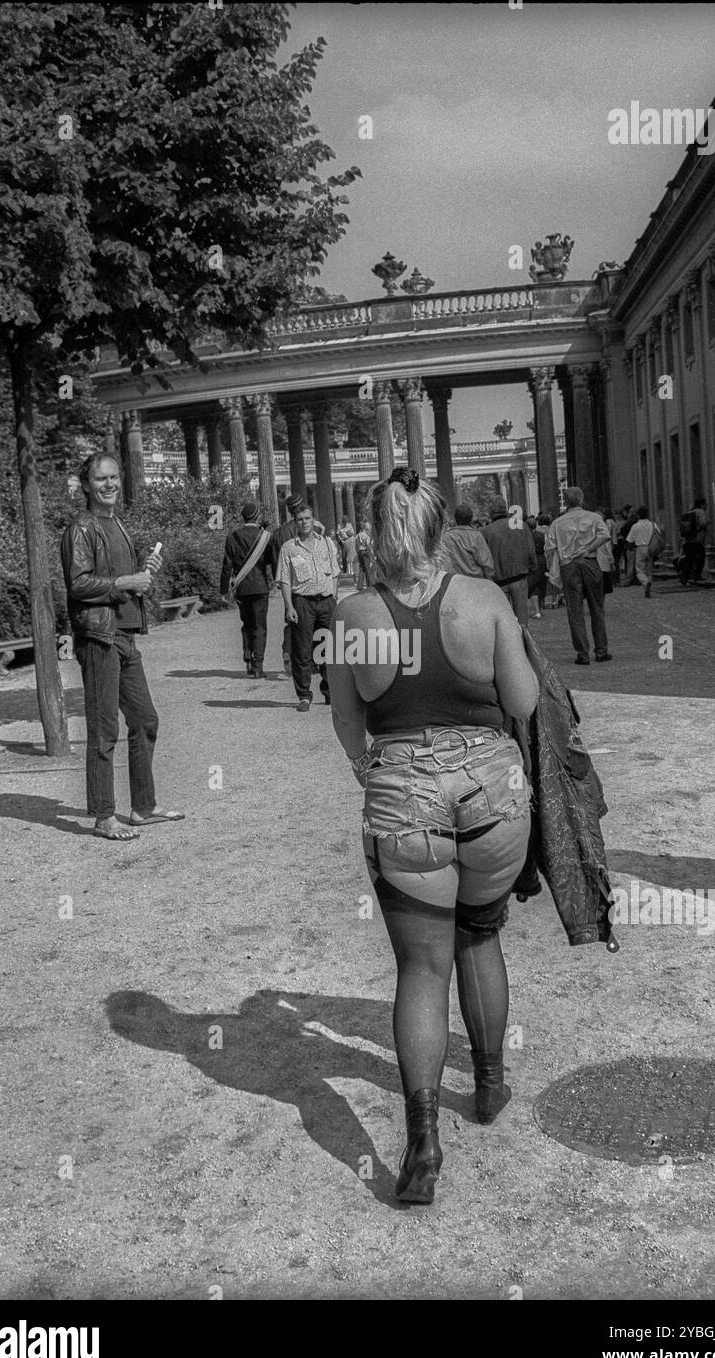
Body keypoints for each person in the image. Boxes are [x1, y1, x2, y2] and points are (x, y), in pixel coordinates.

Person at [326, 466, 539, 1204]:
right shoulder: (480, 600)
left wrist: (371, 772)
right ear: (439, 526)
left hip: (402, 794)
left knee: (421, 970)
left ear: (373, 529)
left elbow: (346, 720)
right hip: (492, 793)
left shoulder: (352, 615)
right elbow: (522, 699)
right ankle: (486, 1087)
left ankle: (421, 1145)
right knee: (480, 935)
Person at [60, 452, 184, 841]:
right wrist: (126, 582)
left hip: (125, 636)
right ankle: (103, 816)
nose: (109, 484)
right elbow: (78, 584)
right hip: (99, 638)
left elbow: (119, 578)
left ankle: (143, 807)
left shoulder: (117, 525)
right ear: (86, 485)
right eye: (101, 479)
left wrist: (143, 571)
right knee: (103, 730)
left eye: (114, 477)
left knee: (145, 720)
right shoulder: (81, 528)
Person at [276, 502, 340, 711]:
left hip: (326, 601)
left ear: (314, 520)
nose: (304, 522)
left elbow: (335, 571)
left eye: (307, 518)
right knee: (302, 651)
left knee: (329, 650)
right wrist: (289, 606)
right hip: (302, 602)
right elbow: (284, 579)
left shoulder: (327, 543)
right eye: (300, 519)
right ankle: (304, 695)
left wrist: (334, 596)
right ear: (295, 522)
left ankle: (330, 691)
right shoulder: (289, 548)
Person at [545, 486, 612, 664]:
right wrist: (589, 548)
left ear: (565, 502)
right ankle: (601, 650)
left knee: (574, 612)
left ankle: (582, 654)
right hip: (590, 562)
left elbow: (549, 549)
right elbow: (605, 536)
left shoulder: (558, 523)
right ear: (581, 499)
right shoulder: (594, 517)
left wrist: (554, 569)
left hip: (569, 567)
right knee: (597, 608)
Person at [219, 500, 275, 677]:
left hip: (242, 588)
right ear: (257, 517)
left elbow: (227, 566)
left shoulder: (232, 537)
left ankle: (248, 659)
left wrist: (223, 590)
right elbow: (270, 560)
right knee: (260, 627)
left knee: (247, 625)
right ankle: (258, 666)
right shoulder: (265, 536)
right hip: (260, 586)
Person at [481, 496, 537, 627]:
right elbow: (530, 550)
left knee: (504, 622)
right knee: (523, 622)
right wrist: (533, 567)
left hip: (499, 582)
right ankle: (524, 645)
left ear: (490, 512)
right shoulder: (521, 526)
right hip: (520, 578)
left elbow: (484, 558)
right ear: (506, 509)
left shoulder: (485, 532)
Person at [439, 503, 495, 579]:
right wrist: (490, 580)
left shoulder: (447, 537)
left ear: (455, 518)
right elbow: (487, 563)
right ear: (471, 518)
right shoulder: (476, 536)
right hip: (476, 582)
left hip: (456, 583)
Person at [626, 503, 657, 598]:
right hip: (651, 547)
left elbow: (630, 540)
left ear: (638, 515)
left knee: (639, 569)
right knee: (649, 568)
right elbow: (659, 534)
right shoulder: (653, 524)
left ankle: (645, 582)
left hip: (640, 547)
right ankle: (649, 582)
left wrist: (630, 548)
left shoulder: (635, 526)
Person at [679, 495, 708, 585]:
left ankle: (684, 577)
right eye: (705, 504)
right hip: (697, 539)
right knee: (701, 557)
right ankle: (697, 575)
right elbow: (703, 523)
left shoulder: (689, 512)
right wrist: (708, 523)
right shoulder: (700, 512)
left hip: (687, 540)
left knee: (689, 559)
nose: (706, 506)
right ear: (702, 504)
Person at [526, 515, 548, 619]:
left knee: (533, 586)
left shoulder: (526, 536)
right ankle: (540, 608)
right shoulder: (542, 535)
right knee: (541, 584)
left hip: (532, 561)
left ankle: (537, 610)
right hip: (542, 559)